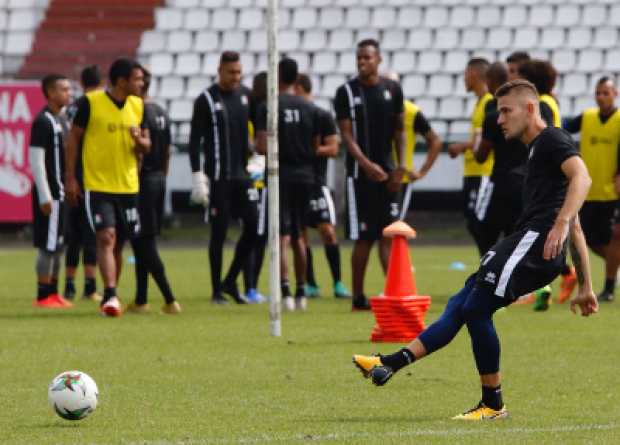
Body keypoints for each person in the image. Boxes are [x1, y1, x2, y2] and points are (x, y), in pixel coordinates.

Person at [353, 79, 598, 420]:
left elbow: (582, 179)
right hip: (529, 243)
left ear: (530, 109)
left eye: (505, 111)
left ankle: (492, 404)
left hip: (533, 245)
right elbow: (576, 226)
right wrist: (585, 285)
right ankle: (389, 364)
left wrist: (559, 222)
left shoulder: (552, 139)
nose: (499, 120)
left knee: (476, 309)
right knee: (462, 302)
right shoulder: (538, 150)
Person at [65, 58, 151, 317]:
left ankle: (112, 291)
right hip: (98, 184)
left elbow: (146, 146)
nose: (142, 83)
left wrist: (140, 141)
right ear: (122, 81)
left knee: (119, 243)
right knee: (105, 236)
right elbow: (74, 140)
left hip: (128, 186)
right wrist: (71, 177)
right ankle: (110, 295)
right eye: (137, 79)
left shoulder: (138, 105)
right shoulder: (90, 103)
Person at [334, 39, 406, 311]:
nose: (362, 62)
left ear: (379, 59)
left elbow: (400, 131)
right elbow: (346, 135)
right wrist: (365, 164)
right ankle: (358, 297)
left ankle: (395, 293)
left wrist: (399, 166)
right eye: (359, 58)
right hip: (359, 176)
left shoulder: (392, 89)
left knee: (388, 234)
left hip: (388, 174)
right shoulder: (347, 92)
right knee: (363, 236)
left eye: (367, 58)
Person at [188, 51, 258, 305]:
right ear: (220, 70)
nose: (235, 77)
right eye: (231, 72)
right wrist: (198, 175)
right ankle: (217, 289)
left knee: (254, 227)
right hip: (219, 177)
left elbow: (255, 130)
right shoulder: (206, 99)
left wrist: (257, 153)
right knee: (219, 233)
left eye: (239, 72)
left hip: (243, 175)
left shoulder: (246, 96)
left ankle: (231, 280)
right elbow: (195, 141)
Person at [255, 58, 322, 311]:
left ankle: (285, 292)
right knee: (300, 236)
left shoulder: (268, 106)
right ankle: (302, 291)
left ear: (278, 75)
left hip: (280, 175)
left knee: (281, 236)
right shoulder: (311, 108)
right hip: (305, 176)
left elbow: (262, 146)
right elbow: (317, 147)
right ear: (296, 78)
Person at [518, 59, 578, 308]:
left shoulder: (542, 104)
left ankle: (545, 283)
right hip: (553, 176)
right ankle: (563, 276)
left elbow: (548, 138)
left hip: (550, 180)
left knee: (546, 229)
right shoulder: (551, 102)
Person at [127, 67, 181, 314]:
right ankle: (141, 299)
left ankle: (170, 299)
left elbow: (139, 151)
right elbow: (168, 149)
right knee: (141, 240)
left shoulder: (139, 111)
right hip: (159, 177)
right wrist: (162, 177)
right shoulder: (161, 111)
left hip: (143, 180)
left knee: (144, 242)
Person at [294, 73, 350, 300]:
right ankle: (311, 284)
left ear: (300, 89)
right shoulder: (292, 117)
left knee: (327, 231)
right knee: (302, 236)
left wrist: (307, 149)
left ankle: (338, 283)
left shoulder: (320, 115)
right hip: (297, 184)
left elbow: (334, 148)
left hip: (317, 184)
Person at [564, 76, 620, 302]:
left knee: (616, 236)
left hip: (614, 191)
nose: (601, 97)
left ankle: (608, 289)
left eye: (605, 93)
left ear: (614, 94)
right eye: (598, 93)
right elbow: (561, 127)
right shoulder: (586, 118)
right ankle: (613, 267)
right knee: (590, 240)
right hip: (589, 190)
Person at [30, 74, 74, 308]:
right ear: (50, 92)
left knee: (58, 245)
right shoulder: (43, 121)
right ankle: (42, 294)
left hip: (62, 195)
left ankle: (54, 292)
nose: (69, 93)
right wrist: (44, 195)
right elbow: (36, 161)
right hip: (51, 195)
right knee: (48, 246)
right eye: (63, 89)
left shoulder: (62, 120)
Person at [62, 65, 102, 302]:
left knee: (73, 234)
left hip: (71, 175)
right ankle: (90, 287)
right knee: (90, 233)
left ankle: (68, 285)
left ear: (81, 81)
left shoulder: (72, 107)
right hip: (90, 175)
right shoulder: (97, 105)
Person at [448, 58, 494, 256]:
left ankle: (490, 264)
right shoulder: (479, 103)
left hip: (484, 171)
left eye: (466, 74)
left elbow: (485, 140)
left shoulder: (488, 103)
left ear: (475, 74)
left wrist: (461, 147)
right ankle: (488, 263)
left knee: (479, 222)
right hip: (472, 171)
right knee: (473, 220)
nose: (464, 79)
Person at [383, 71, 442, 220]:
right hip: (377, 175)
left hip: (400, 179)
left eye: (393, 85)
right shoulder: (373, 108)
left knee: (394, 227)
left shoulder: (411, 112)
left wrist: (422, 172)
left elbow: (435, 141)